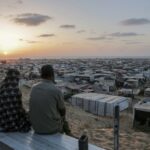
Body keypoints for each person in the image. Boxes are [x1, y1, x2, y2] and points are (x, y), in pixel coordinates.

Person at [29, 64, 71, 135]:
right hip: (51, 129)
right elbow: (62, 111)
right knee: (62, 117)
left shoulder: (34, 88)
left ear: (41, 74)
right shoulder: (56, 90)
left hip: (36, 127)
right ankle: (68, 134)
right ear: (52, 75)